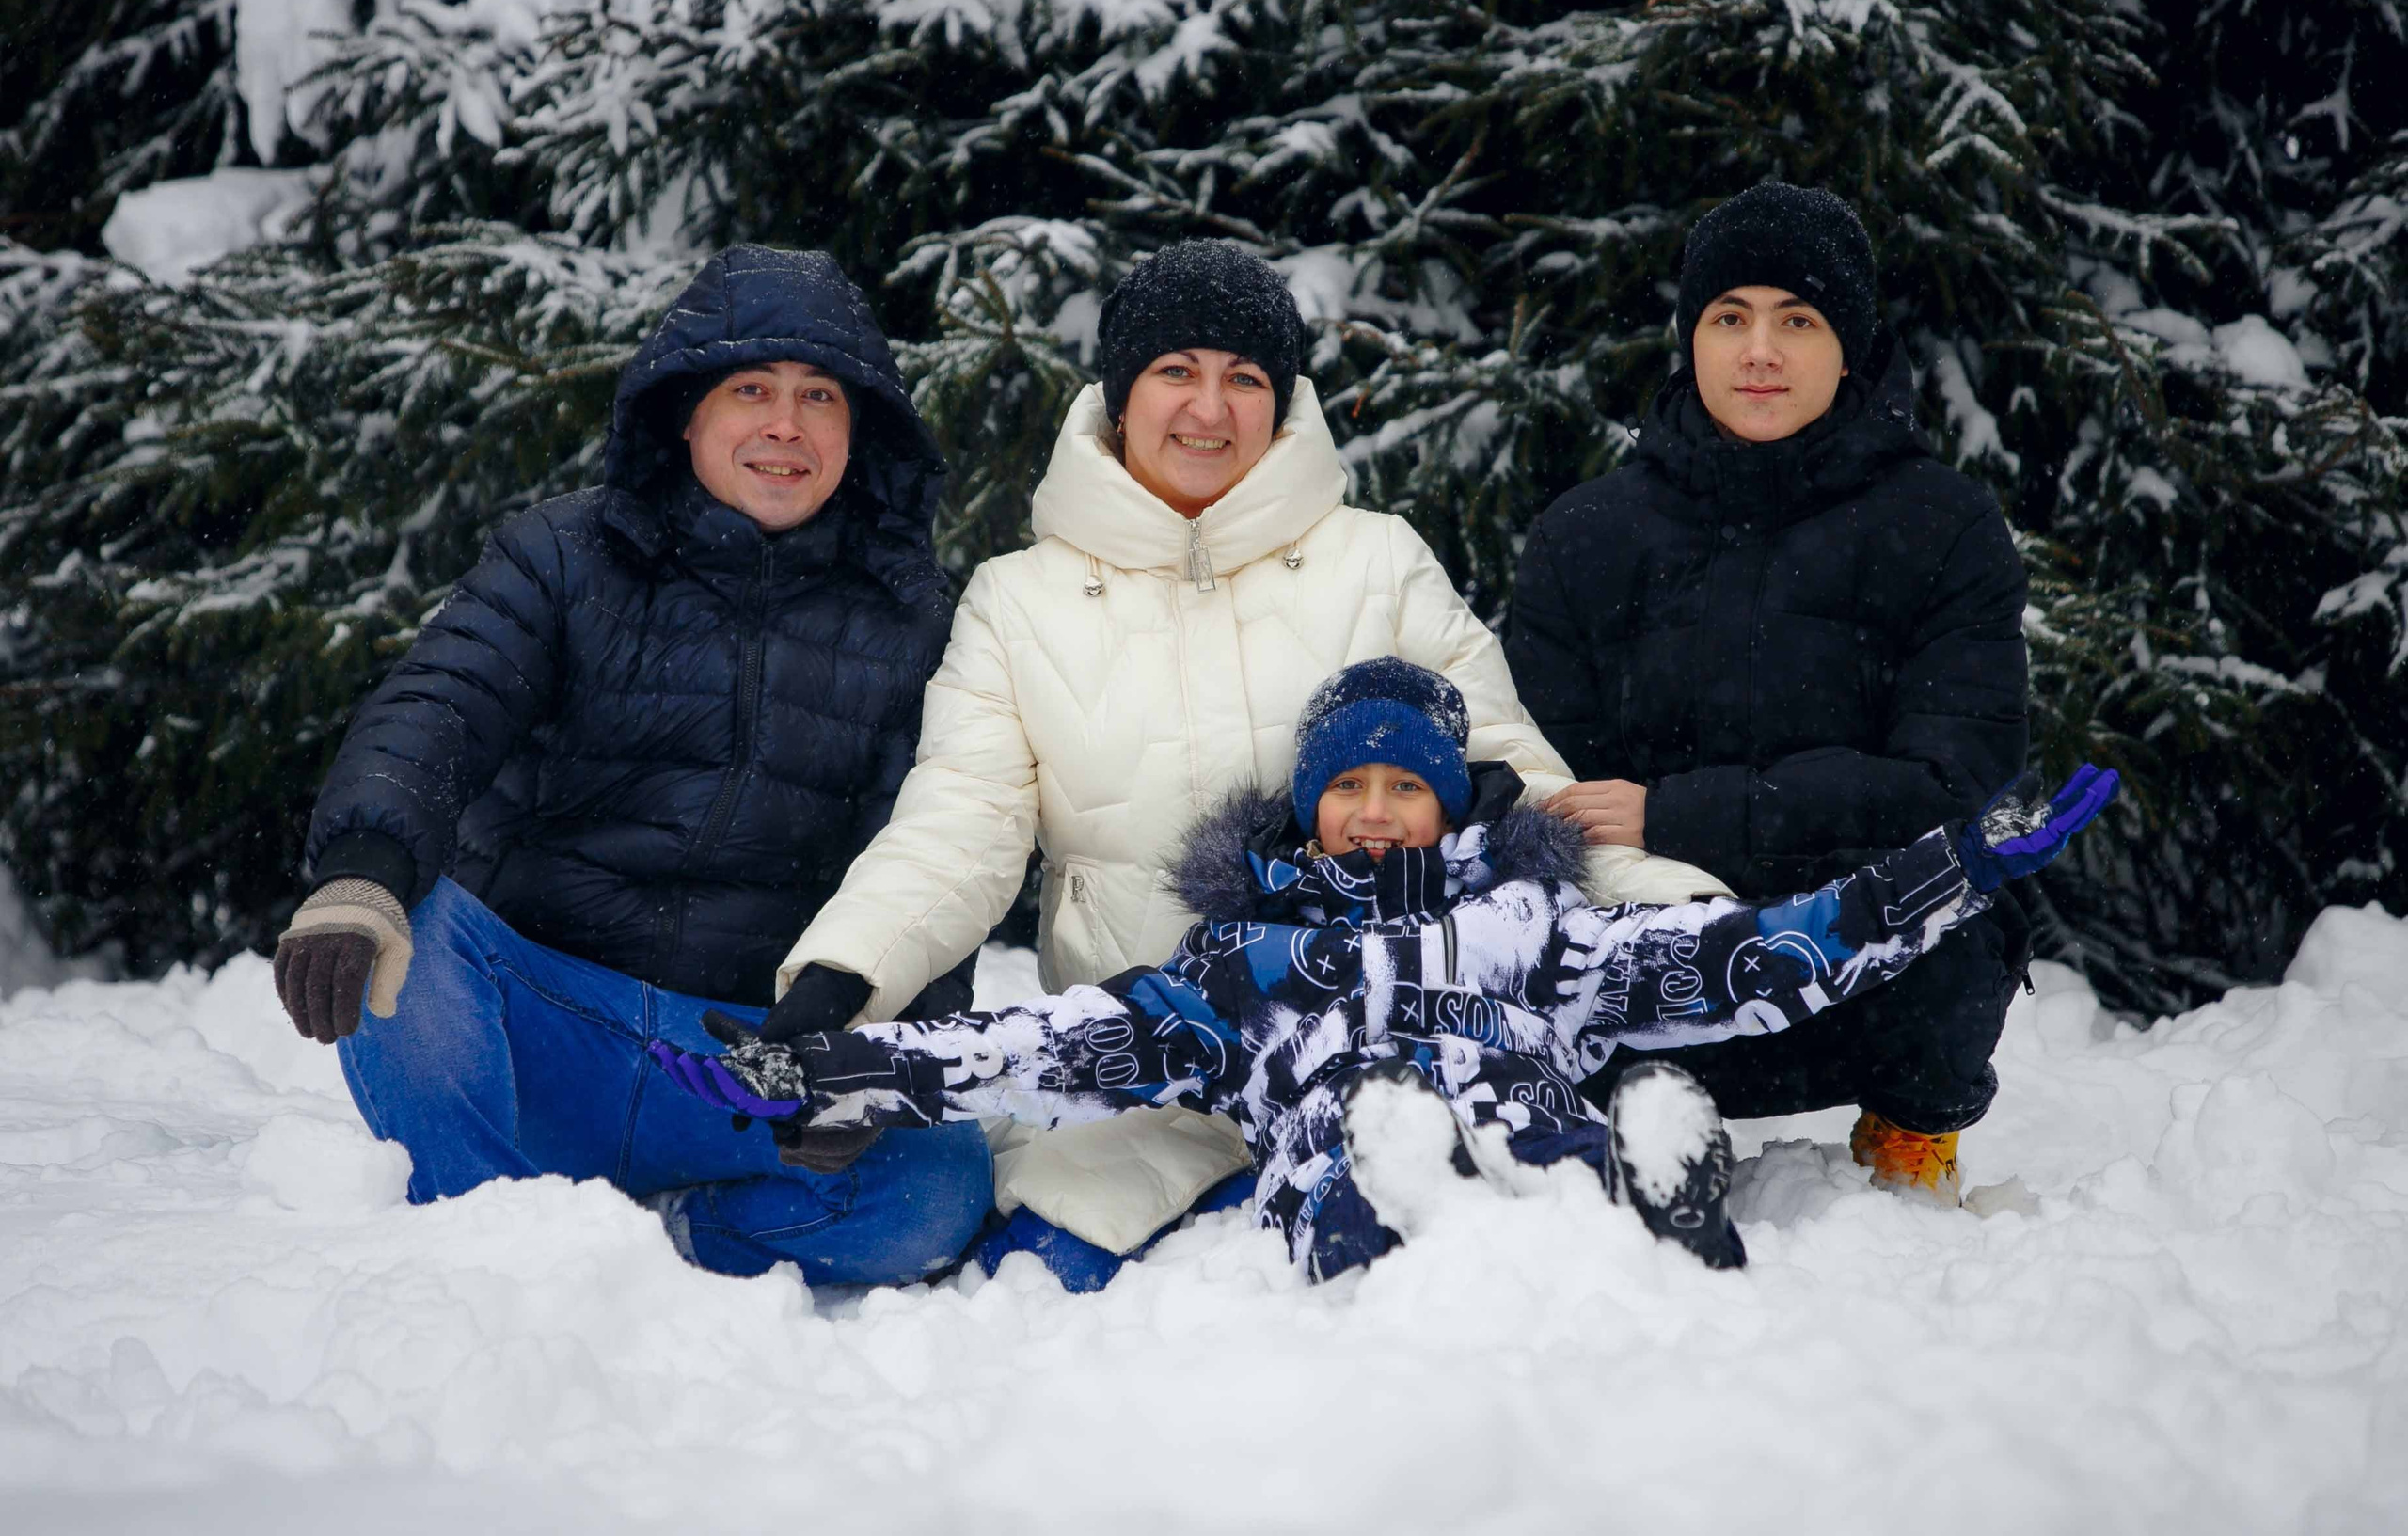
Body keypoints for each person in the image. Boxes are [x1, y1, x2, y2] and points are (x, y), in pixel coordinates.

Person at [766, 241, 1727, 1290]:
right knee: (1043, 1287)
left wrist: (1689, 915)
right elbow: (959, 823)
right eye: (1176, 371)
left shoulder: (1378, 561)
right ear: (1119, 396)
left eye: (1246, 378)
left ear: (1283, 401)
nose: (1210, 409)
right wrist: (844, 979)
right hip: (1147, 1087)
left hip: (1385, 1055)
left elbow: (1520, 790)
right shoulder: (1018, 600)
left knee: (1484, 1250)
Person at [653, 659, 2115, 1279]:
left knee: (1571, 1147)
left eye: (1401, 785)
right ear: (1305, 813)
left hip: (1534, 1141)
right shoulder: (1240, 961)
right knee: (1356, 1143)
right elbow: (1051, 1044)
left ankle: (1658, 1209)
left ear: (1448, 805)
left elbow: (1751, 956)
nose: (1369, 809)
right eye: (1342, 787)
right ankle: (1407, 1198)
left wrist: (1954, 866)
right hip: (1340, 1176)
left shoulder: (1538, 929)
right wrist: (840, 1068)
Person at [268, 244, 992, 1283]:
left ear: (859, 431)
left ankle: (680, 1242)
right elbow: (442, 703)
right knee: (409, 923)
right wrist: (363, 867)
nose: (785, 426)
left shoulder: (916, 618)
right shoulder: (563, 555)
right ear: (685, 414)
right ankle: (485, 1237)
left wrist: (882, 1051)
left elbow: (937, 854)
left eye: (820, 397)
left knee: (938, 1184)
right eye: (751, 389)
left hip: (745, 1055)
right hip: (542, 1023)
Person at [1507, 182, 2034, 1203]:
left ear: (1849, 349)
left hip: (1863, 951)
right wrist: (1659, 867)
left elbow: (1954, 785)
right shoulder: (1584, 536)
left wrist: (1681, 812)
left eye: (1797, 321)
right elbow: (1550, 786)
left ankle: (1911, 1132)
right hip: (1650, 946)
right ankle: (1600, 1151)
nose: (1759, 352)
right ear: (1690, 340)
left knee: (1961, 900)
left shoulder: (1945, 528)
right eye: (1729, 318)